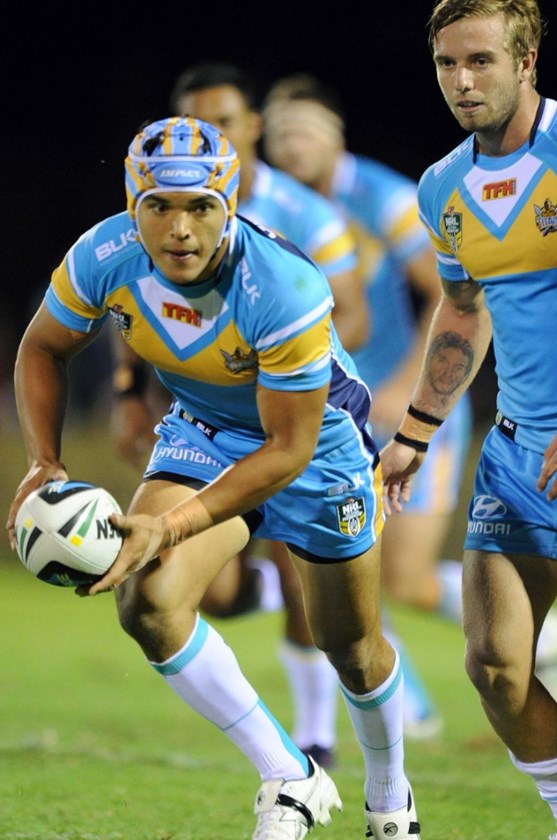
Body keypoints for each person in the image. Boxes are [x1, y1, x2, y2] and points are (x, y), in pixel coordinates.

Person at [7, 116, 421, 840]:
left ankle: (390, 797)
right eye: (158, 207)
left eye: (200, 206)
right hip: (203, 432)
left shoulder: (283, 285)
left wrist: (168, 524)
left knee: (351, 647)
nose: (179, 229)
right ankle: (289, 776)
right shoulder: (103, 254)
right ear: (132, 206)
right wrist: (45, 460)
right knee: (149, 602)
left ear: (229, 204)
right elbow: (44, 347)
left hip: (315, 450)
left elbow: (286, 452)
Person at [110, 61, 441, 763]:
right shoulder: (145, 226)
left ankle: (317, 740)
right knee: (215, 595)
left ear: (246, 131)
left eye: (224, 122)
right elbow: (131, 306)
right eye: (195, 122)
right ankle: (279, 613)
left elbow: (345, 319)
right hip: (212, 424)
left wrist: (267, 363)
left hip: (315, 420)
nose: (208, 134)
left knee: (336, 591)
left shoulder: (310, 219)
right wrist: (127, 389)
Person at [378, 0, 557, 834]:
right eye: (448, 64)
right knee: (494, 666)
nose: (461, 81)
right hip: (515, 453)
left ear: (526, 63)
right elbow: (459, 311)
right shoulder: (443, 186)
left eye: (480, 61)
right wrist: (415, 429)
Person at [261, 72, 474, 734]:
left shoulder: (380, 197)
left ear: (333, 137)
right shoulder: (272, 209)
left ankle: (541, 634)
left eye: (302, 132)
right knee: (342, 571)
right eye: (278, 136)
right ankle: (407, 707)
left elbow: (454, 298)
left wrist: (407, 388)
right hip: (330, 413)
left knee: (405, 579)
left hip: (408, 407)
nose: (290, 148)